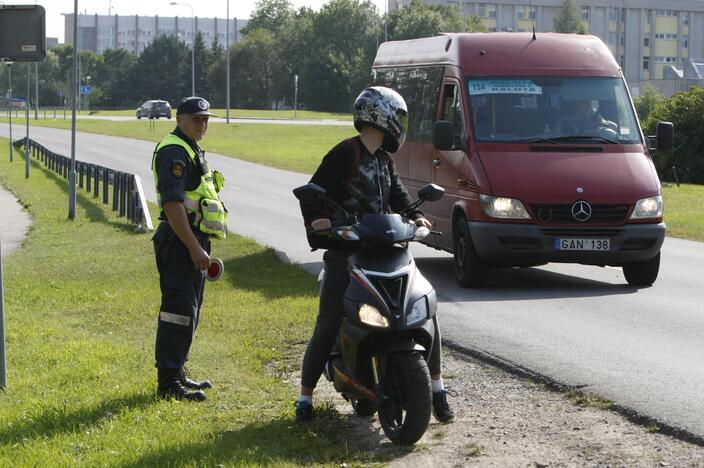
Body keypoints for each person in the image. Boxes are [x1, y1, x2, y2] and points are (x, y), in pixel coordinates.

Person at [295, 86, 455, 423]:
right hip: (347, 252)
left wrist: (415, 216)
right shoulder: (345, 153)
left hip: (386, 251)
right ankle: (305, 398)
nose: (400, 124)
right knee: (327, 323)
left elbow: (399, 198)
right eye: (397, 117)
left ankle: (437, 389)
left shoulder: (384, 159)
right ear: (380, 116)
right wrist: (317, 220)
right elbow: (314, 191)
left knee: (426, 308)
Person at [150, 96, 227, 401]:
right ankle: (168, 384)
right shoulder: (174, 150)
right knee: (177, 313)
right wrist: (195, 248)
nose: (202, 123)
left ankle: (178, 371)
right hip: (181, 241)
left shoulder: (191, 147)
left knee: (189, 311)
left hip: (193, 241)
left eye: (206, 118)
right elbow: (172, 204)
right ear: (179, 118)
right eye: (196, 118)